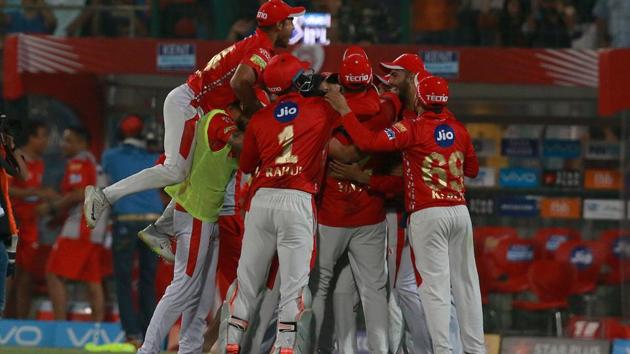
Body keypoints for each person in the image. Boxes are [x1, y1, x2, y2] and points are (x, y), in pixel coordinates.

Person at [83, 0, 305, 263]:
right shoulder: (262, 49)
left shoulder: (256, 43)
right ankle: (104, 196)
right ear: (278, 24)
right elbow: (240, 81)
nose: (293, 25)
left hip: (196, 107)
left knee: (191, 175)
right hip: (190, 103)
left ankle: (159, 230)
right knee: (175, 170)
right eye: (290, 20)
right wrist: (258, 113)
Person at [325, 75, 485, 354]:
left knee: (433, 288)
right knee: (466, 284)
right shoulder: (460, 129)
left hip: (428, 214)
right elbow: (472, 169)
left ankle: (444, 350)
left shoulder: (411, 127)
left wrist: (344, 110)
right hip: (459, 212)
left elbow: (368, 142)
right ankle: (476, 350)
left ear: (420, 99)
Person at [221, 53, 340, 354]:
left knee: (247, 281)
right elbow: (349, 105)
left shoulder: (260, 118)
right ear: (300, 81)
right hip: (298, 199)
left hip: (261, 200)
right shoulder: (321, 109)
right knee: (294, 285)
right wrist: (323, 88)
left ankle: (231, 342)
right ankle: (284, 346)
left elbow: (247, 164)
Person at [137, 100, 245, 354]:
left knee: (201, 294)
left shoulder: (211, 123)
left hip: (215, 215)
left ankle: (189, 349)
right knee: (184, 287)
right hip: (200, 212)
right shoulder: (214, 121)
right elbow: (170, 167)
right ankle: (148, 349)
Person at [311, 46, 399, 354]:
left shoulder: (326, 105)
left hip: (330, 214)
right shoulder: (385, 107)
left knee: (320, 288)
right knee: (372, 292)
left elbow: (346, 152)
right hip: (370, 212)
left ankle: (316, 349)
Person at [100, 115, 162, 346]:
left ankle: (132, 334)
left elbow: (104, 181)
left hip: (125, 219)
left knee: (123, 279)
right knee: (148, 279)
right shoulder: (153, 156)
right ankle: (150, 336)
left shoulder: (110, 156)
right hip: (153, 221)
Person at [43, 126, 107, 322]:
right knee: (92, 281)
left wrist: (52, 208)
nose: (63, 145)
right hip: (96, 230)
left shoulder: (78, 163)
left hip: (80, 230)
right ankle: (99, 329)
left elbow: (79, 193)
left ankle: (60, 325)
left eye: (68, 140)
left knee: (53, 273)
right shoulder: (95, 165)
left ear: (82, 143)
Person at [8, 120, 57, 319]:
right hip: (12, 224)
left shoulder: (40, 163)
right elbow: (7, 188)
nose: (46, 141)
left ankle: (20, 321)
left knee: (26, 275)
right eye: (42, 136)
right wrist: (35, 192)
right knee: (9, 272)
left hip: (31, 226)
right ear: (31, 137)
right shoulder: (14, 157)